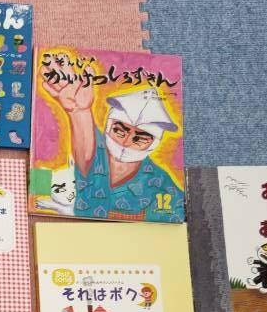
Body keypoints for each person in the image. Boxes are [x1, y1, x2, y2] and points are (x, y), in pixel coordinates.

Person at [38, 54, 183, 222]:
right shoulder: (96, 150)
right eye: (120, 131)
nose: (126, 142)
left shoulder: (160, 184)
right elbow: (86, 150)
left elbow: (175, 216)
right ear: (109, 126)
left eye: (139, 139)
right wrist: (78, 112)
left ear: (153, 143)